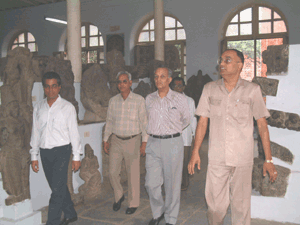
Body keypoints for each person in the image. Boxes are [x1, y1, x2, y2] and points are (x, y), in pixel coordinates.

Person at [188, 49, 277, 225]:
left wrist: (269, 159)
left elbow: (262, 126)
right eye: (221, 60)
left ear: (240, 65)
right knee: (215, 207)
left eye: (227, 60)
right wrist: (195, 151)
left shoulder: (252, 90)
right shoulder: (210, 89)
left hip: (243, 158)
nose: (222, 63)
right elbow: (203, 122)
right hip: (217, 157)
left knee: (241, 207)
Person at [30, 71, 82, 225]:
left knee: (57, 190)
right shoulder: (38, 107)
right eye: (47, 86)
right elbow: (35, 132)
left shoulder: (68, 107)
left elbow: (74, 134)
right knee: (57, 186)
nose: (50, 90)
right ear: (43, 87)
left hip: (62, 151)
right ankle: (71, 213)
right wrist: (34, 155)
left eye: (54, 86)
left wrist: (76, 156)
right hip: (45, 152)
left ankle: (52, 222)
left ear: (59, 87)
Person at [145, 67, 190, 225]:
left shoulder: (179, 99)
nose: (159, 80)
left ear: (169, 79)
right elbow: (147, 120)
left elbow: (186, 120)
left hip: (172, 143)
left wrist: (171, 131)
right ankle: (158, 212)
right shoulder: (149, 99)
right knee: (151, 183)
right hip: (153, 143)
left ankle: (171, 218)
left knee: (172, 184)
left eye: (162, 76)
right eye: (156, 76)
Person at [103, 71, 148, 215]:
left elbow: (144, 123)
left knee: (132, 174)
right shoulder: (113, 101)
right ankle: (119, 195)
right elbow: (109, 121)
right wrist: (105, 139)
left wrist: (144, 142)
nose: (121, 84)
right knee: (112, 172)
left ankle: (133, 203)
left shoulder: (139, 100)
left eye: (124, 81)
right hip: (116, 140)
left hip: (133, 140)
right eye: (119, 82)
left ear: (130, 83)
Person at [170, 77, 197, 191]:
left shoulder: (189, 101)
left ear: (184, 87)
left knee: (185, 162)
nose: (177, 88)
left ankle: (184, 183)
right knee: (172, 161)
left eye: (180, 86)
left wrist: (194, 135)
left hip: (185, 138)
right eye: (175, 86)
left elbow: (193, 119)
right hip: (171, 137)